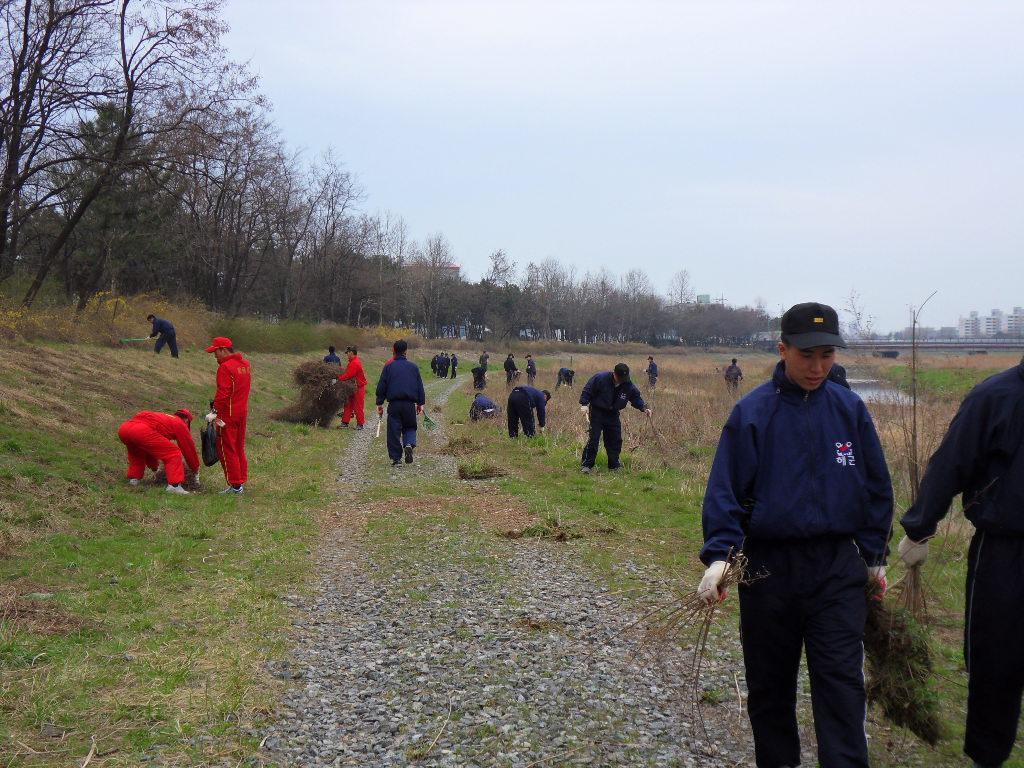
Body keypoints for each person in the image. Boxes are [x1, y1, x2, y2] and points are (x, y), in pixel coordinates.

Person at [698, 302, 893, 768]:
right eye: (807, 355)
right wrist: (721, 556)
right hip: (768, 572)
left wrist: (873, 557)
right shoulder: (752, 414)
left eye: (827, 355)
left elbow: (875, 487)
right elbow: (725, 490)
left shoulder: (850, 410)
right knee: (769, 690)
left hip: (835, 572)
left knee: (842, 688)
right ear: (782, 348)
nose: (818, 367)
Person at [898, 357, 1024, 768]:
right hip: (1005, 550)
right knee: (995, 659)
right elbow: (952, 462)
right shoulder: (995, 396)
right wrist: (920, 526)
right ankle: (987, 757)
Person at [579, 363, 651, 473]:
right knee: (594, 438)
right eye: (620, 378)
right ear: (614, 373)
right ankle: (587, 465)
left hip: (613, 414)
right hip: (597, 412)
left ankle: (614, 465)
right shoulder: (600, 378)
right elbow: (588, 390)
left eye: (624, 378)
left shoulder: (627, 384)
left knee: (615, 439)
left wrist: (644, 408)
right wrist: (584, 404)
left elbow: (635, 397)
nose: (621, 380)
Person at [205, 336, 251, 494]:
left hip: (227, 415)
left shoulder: (225, 367)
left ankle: (235, 485)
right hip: (242, 413)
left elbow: (223, 393)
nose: (214, 355)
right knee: (239, 447)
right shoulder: (245, 364)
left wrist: (214, 411)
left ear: (223, 349)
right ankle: (241, 480)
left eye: (215, 352)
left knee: (226, 448)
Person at [118, 408, 200, 494]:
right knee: (173, 453)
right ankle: (174, 486)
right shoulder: (180, 424)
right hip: (140, 431)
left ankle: (134, 480)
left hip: (124, 429)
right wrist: (195, 468)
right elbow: (189, 449)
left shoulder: (164, 418)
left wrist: (155, 468)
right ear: (187, 420)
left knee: (137, 454)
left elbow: (151, 449)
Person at [375, 339, 426, 466]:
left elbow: (382, 386)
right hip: (409, 404)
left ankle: (396, 459)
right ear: (406, 351)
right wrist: (420, 403)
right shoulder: (413, 367)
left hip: (394, 404)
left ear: (393, 350)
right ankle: (408, 444)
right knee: (410, 426)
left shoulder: (389, 367)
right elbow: (420, 386)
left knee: (393, 430)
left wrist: (379, 403)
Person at [337, 345, 368, 429]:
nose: (347, 354)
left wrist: (338, 379)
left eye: (347, 353)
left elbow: (349, 375)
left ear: (351, 352)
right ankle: (345, 423)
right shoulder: (353, 361)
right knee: (348, 404)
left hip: (358, 388)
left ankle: (360, 424)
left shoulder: (354, 363)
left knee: (358, 406)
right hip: (353, 387)